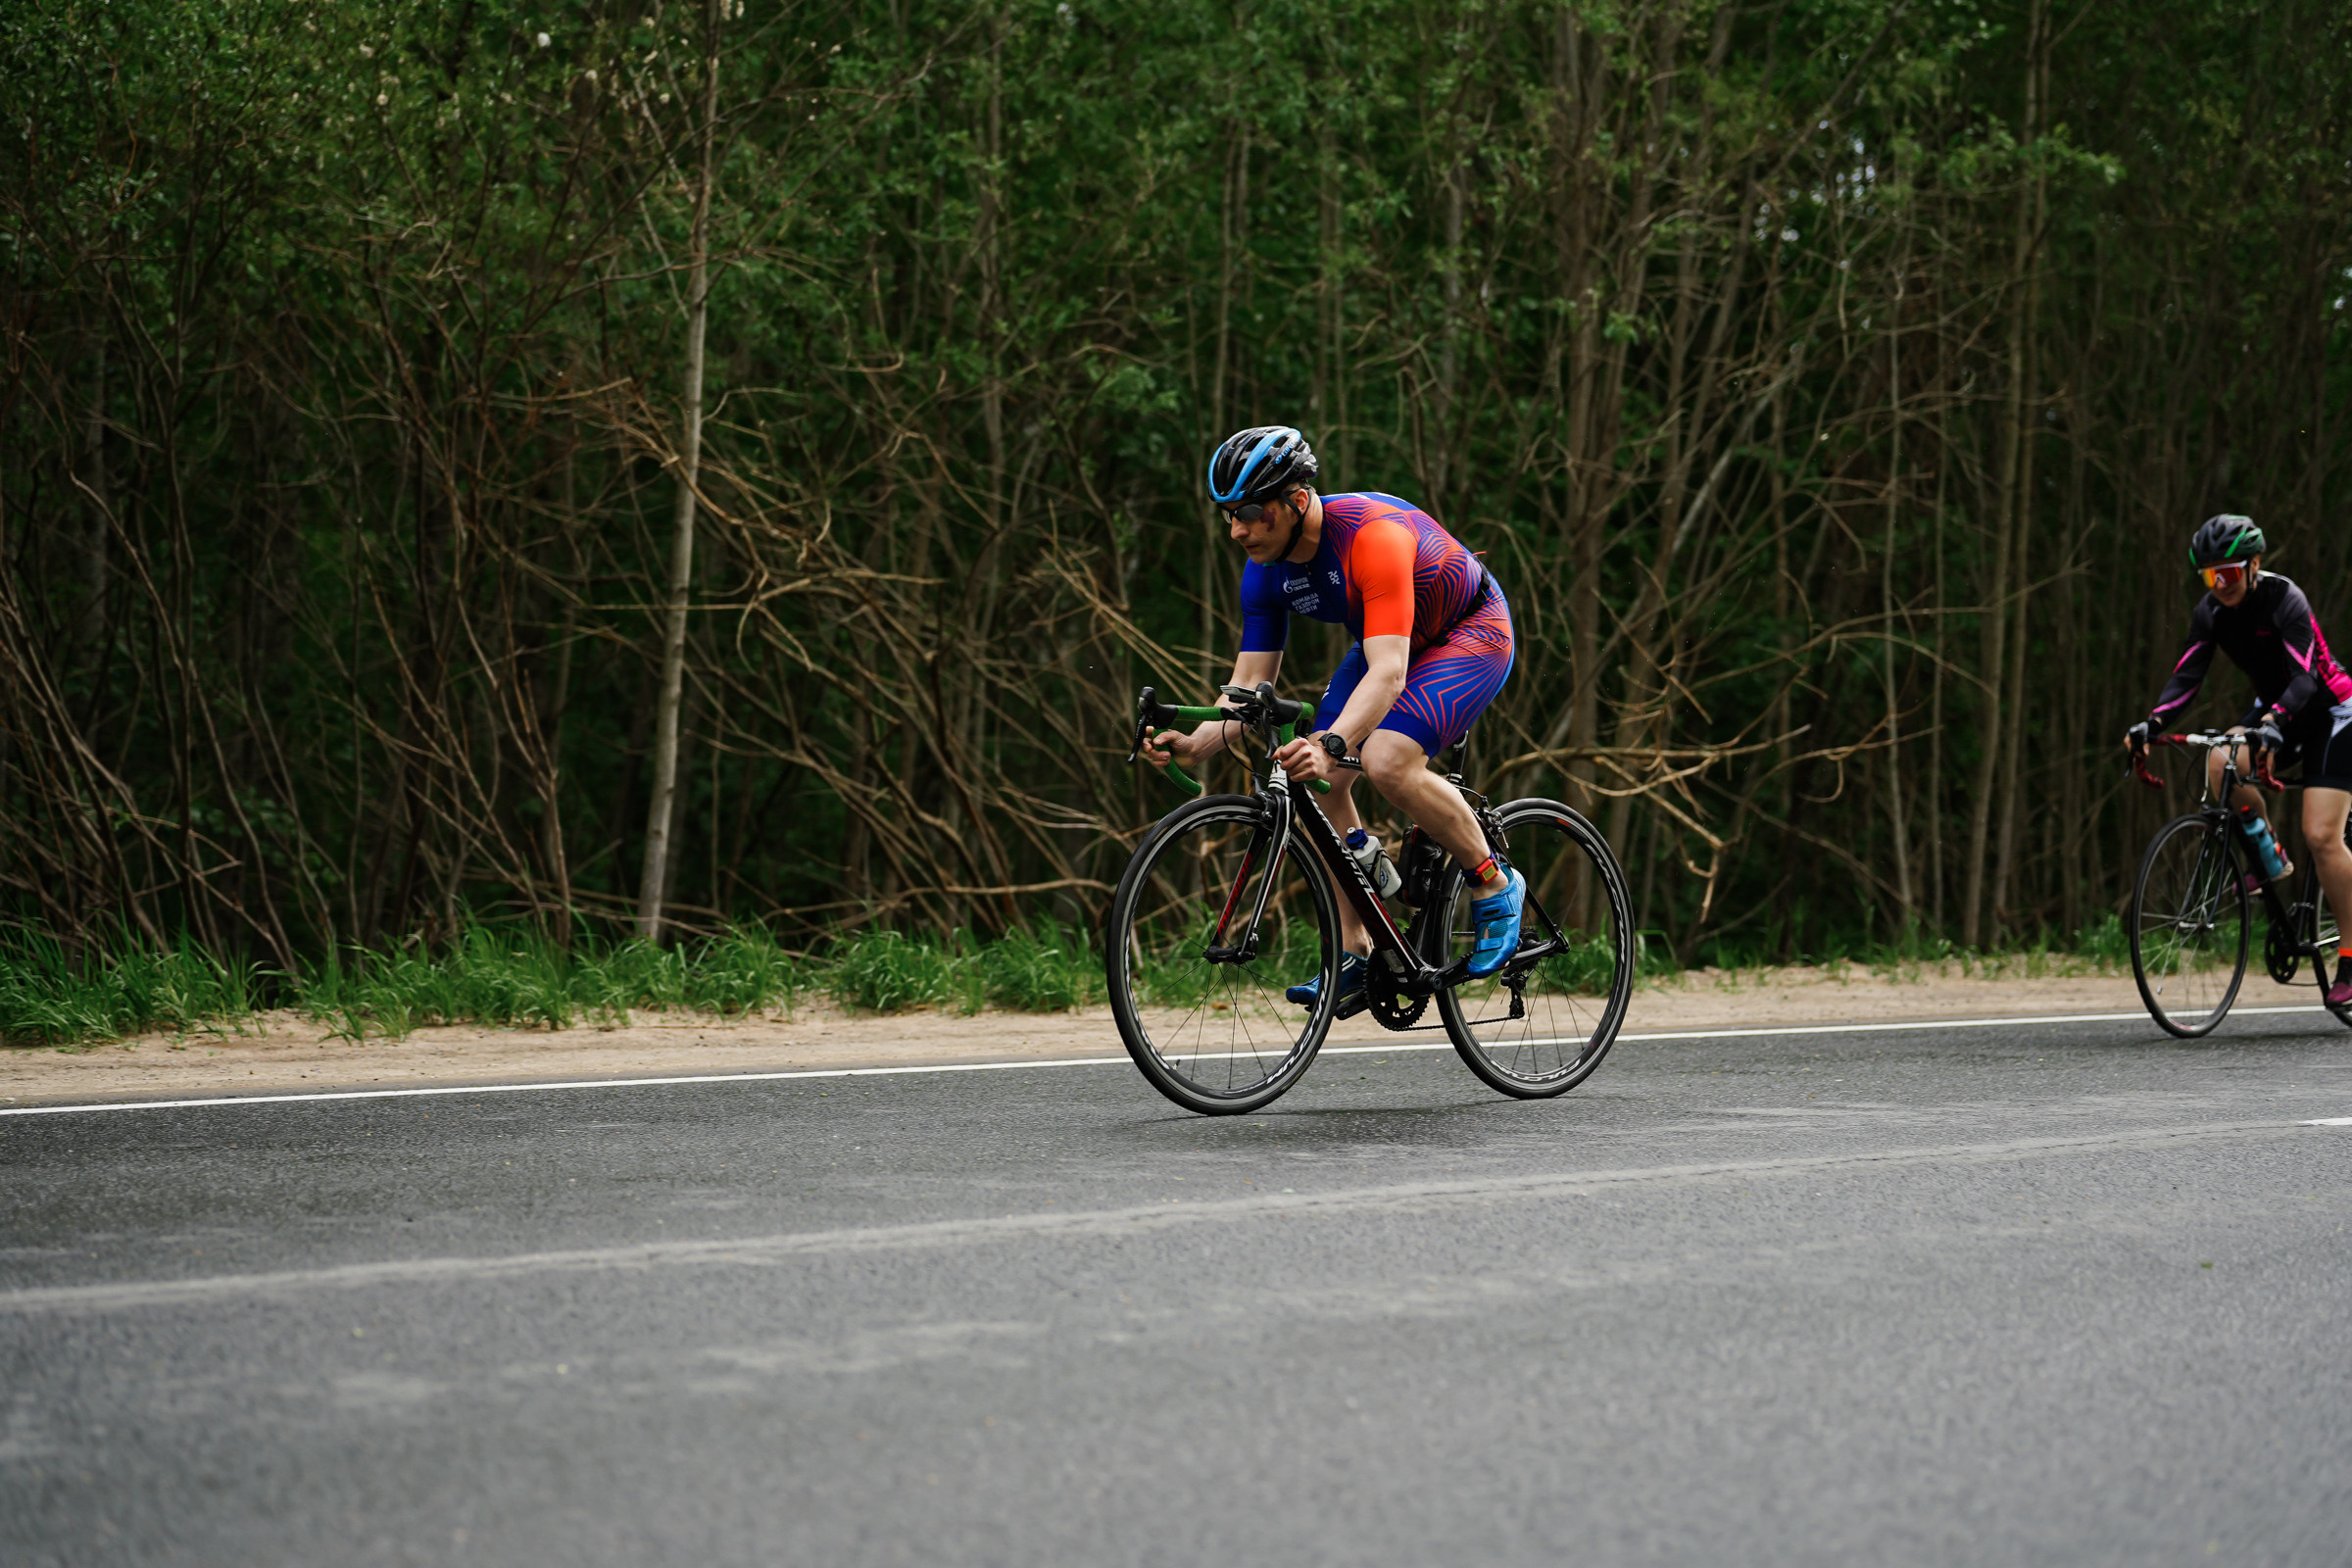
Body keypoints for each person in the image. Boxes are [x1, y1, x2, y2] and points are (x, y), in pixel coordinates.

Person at [1140, 424, 1523, 1011]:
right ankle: (1356, 950)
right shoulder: (1265, 568)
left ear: (1296, 501)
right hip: (1392, 643)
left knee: (1386, 760)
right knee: (1315, 779)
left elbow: (1389, 673)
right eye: (1227, 515)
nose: (1237, 529)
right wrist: (1195, 746)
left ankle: (1494, 882)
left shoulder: (1372, 537)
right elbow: (1247, 688)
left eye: (1248, 511)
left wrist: (1333, 741)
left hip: (1469, 632)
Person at [2127, 514, 2352, 1004]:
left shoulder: (2284, 599)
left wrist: (2272, 722)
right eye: (2210, 576)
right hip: (2278, 714)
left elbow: (2302, 680)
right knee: (2220, 760)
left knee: (2320, 834)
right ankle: (2271, 862)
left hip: (2331, 711)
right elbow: (2186, 677)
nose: (2219, 585)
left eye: (2228, 574)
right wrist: (2152, 725)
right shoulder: (2211, 613)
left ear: (2254, 566)